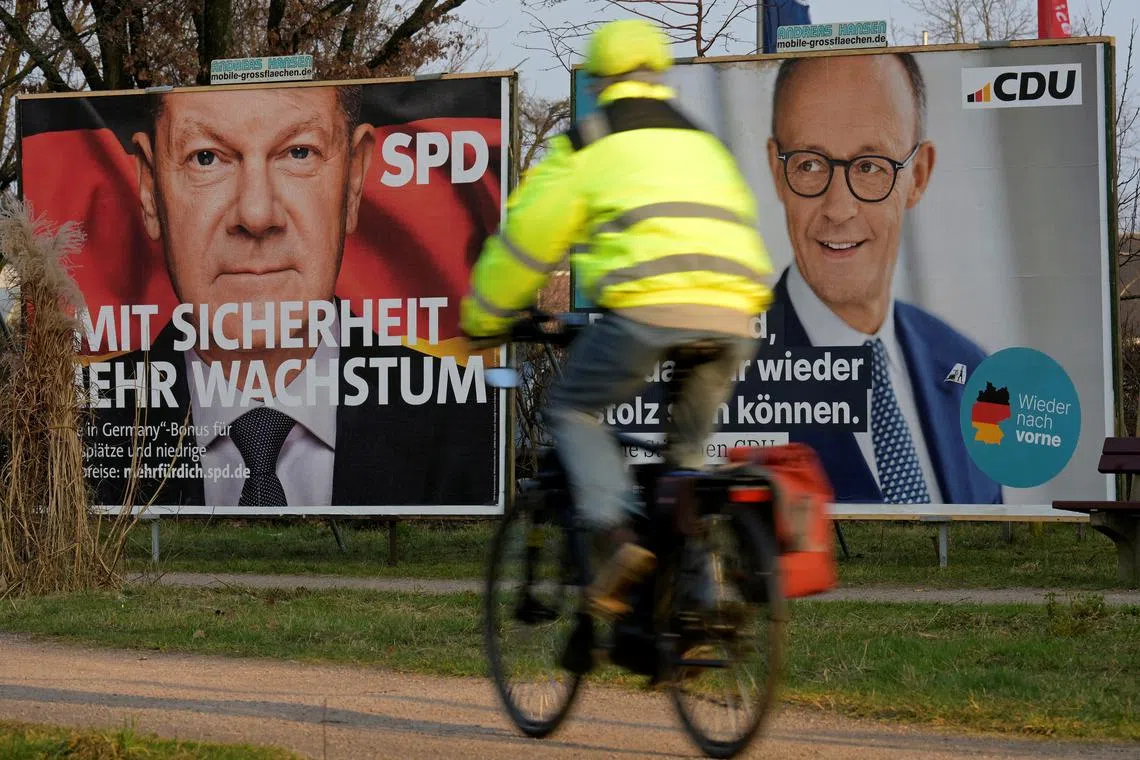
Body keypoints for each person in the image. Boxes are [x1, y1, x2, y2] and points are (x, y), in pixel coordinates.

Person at [460, 19, 774, 617]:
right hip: (734, 315)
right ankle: (699, 597)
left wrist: (484, 316)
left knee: (573, 410)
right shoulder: (703, 143)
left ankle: (615, 543)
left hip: (647, 309)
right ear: (659, 76)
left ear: (600, 80)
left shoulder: (590, 143)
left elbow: (525, 245)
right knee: (683, 463)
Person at [82, 84, 496, 509]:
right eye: (206, 157)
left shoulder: (469, 423)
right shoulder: (74, 427)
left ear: (353, 180)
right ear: (151, 189)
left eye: (299, 153)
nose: (257, 214)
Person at [764, 52, 1002, 505]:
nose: (838, 208)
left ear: (919, 175)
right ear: (778, 171)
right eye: (810, 164)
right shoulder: (728, 369)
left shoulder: (970, 371)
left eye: (870, 166)